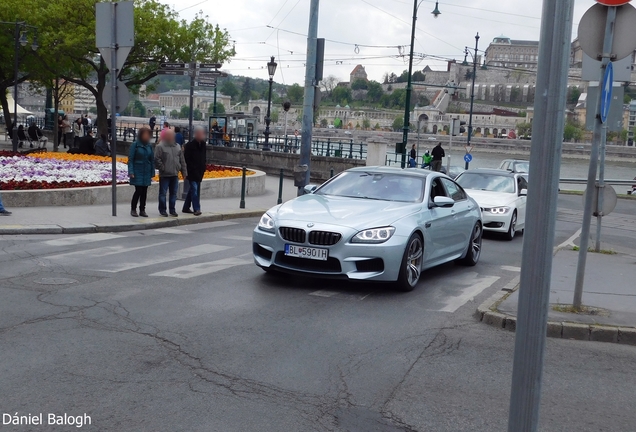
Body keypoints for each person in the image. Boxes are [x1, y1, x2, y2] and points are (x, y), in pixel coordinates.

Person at [154, 129, 187, 217]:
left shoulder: (178, 146)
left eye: (172, 135)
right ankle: (163, 210)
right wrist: (162, 168)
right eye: (170, 135)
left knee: (173, 194)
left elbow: (182, 160)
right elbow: (156, 159)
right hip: (165, 174)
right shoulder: (160, 147)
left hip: (174, 174)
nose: (172, 137)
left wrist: (184, 172)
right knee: (163, 193)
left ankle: (172, 210)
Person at [128, 127, 154, 218]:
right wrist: (131, 171)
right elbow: (131, 159)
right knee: (138, 190)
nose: (147, 136)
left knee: (144, 191)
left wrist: (152, 172)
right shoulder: (135, 145)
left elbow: (151, 160)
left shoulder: (149, 146)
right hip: (137, 170)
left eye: (148, 135)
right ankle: (133, 209)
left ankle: (142, 209)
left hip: (146, 171)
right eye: (145, 134)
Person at [182, 126, 207, 216]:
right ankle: (197, 208)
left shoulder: (203, 145)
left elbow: (203, 158)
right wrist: (189, 170)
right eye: (199, 133)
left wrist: (203, 168)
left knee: (192, 190)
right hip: (192, 172)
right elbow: (187, 160)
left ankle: (185, 207)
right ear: (196, 134)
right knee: (195, 190)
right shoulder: (189, 146)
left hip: (200, 171)